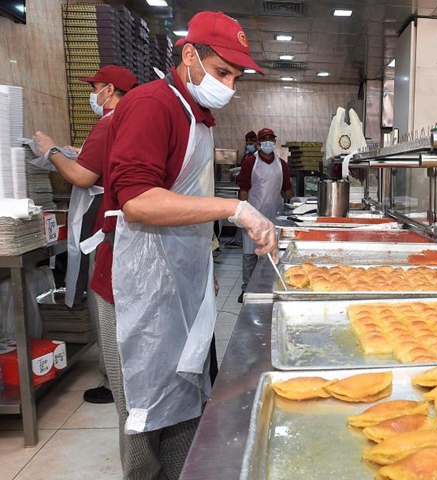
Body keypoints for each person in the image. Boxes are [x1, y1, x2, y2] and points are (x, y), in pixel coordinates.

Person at [90, 12, 276, 479]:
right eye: (222, 72)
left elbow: (184, 201)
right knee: (145, 415)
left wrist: (200, 263)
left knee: (187, 397)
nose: (230, 85)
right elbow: (139, 202)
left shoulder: (199, 114)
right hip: (133, 285)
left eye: (235, 77)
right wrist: (234, 209)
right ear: (189, 55)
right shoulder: (153, 104)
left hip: (179, 276)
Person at [32, 65, 138, 405]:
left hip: (103, 222)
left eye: (94, 87)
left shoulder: (108, 123)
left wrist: (51, 151)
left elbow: (81, 176)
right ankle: (119, 376)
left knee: (103, 302)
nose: (91, 94)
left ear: (108, 90)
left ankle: (113, 383)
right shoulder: (128, 123)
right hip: (121, 222)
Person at [236, 127, 293, 302]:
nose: (268, 142)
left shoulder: (281, 164)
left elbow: (287, 189)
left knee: (270, 252)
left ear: (274, 141)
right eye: (265, 139)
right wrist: (242, 213)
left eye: (271, 138)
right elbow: (244, 189)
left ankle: (267, 286)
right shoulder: (250, 162)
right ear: (259, 142)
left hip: (274, 216)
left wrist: (293, 206)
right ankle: (247, 289)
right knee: (250, 254)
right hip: (253, 215)